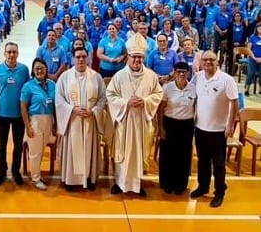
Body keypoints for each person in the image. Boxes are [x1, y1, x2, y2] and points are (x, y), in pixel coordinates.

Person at [106, 33, 163, 196]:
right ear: (128, 57)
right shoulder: (119, 76)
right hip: (124, 122)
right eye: (134, 57)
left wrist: (145, 102)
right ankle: (119, 182)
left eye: (140, 58)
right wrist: (125, 103)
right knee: (123, 154)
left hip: (141, 123)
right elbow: (110, 95)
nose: (137, 61)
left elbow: (158, 94)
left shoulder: (151, 76)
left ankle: (138, 184)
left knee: (138, 154)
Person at [190, 50, 239, 208]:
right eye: (205, 60)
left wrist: (229, 125)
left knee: (218, 164)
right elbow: (191, 96)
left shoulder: (226, 80)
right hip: (200, 127)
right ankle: (203, 186)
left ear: (217, 61)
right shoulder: (197, 78)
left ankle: (219, 192)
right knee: (203, 161)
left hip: (218, 130)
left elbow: (234, 103)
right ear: (201, 62)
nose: (208, 63)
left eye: (211, 60)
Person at [55, 47, 108, 191]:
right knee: (73, 150)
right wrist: (72, 110)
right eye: (78, 57)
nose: (81, 60)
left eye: (84, 57)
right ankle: (71, 181)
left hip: (90, 121)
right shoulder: (64, 77)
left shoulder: (96, 77)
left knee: (89, 150)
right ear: (73, 58)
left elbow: (103, 98)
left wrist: (94, 111)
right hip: (72, 122)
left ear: (88, 58)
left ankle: (89, 179)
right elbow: (59, 100)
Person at [0, 42, 30, 186]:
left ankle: (16, 171)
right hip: (1, 116)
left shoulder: (24, 70)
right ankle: (2, 172)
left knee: (18, 146)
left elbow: (28, 92)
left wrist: (28, 116)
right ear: (4, 53)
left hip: (19, 116)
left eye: (14, 52)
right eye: (9, 52)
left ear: (17, 53)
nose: (11, 55)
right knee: (1, 146)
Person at [157, 62, 196, 195]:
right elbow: (161, 109)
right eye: (178, 71)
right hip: (170, 123)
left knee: (184, 155)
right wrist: (160, 127)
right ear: (174, 72)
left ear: (188, 73)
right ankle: (167, 183)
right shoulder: (167, 88)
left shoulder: (193, 88)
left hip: (186, 125)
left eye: (184, 72)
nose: (181, 74)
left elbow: (196, 107)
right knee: (168, 155)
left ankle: (180, 184)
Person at [20, 58, 56, 191]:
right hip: (34, 120)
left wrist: (55, 123)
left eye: (42, 68)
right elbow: (23, 108)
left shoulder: (52, 84)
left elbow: (55, 105)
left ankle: (38, 174)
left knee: (42, 149)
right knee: (35, 152)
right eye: (36, 69)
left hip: (49, 119)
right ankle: (35, 178)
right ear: (33, 71)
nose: (39, 71)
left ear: (46, 69)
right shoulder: (28, 86)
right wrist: (28, 126)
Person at [244, 22, 261, 96]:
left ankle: (260, 90)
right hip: (252, 58)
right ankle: (247, 89)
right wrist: (254, 57)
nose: (260, 29)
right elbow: (248, 49)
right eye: (259, 28)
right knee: (251, 74)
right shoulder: (252, 37)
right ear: (256, 29)